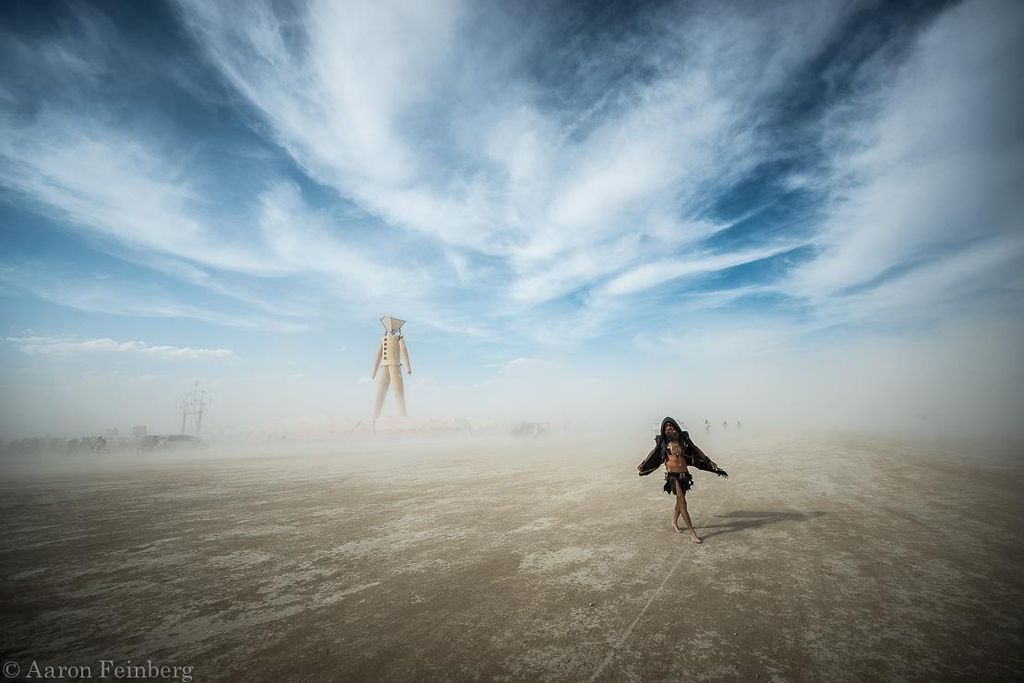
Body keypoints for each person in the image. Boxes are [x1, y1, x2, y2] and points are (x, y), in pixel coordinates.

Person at [637, 417, 728, 543]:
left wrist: (708, 461)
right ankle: (692, 533)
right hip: (672, 476)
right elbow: (654, 453)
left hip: (684, 475)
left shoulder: (683, 439)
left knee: (679, 502)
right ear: (664, 429)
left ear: (675, 427)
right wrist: (644, 464)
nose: (669, 428)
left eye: (671, 426)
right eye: (666, 426)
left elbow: (695, 449)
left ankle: (674, 521)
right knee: (683, 503)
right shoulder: (663, 442)